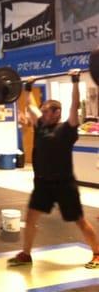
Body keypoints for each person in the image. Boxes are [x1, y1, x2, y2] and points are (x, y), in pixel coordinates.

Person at [8, 69, 99, 269]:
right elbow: (30, 106)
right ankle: (26, 253)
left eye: (48, 110)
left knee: (80, 221)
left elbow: (75, 105)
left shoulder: (67, 128)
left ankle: (97, 254)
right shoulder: (41, 125)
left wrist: (75, 80)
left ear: (56, 113)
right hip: (42, 183)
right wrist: (28, 87)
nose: (43, 112)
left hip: (64, 184)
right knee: (31, 217)